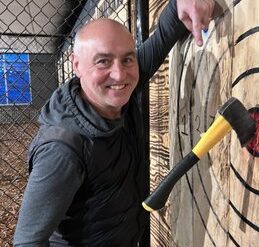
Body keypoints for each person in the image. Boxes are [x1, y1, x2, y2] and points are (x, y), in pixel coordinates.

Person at [13, 0, 215, 246]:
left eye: (127, 59)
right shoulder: (62, 149)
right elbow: (27, 241)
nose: (119, 74)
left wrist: (180, 4)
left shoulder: (120, 91)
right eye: (103, 61)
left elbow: (162, 36)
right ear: (77, 65)